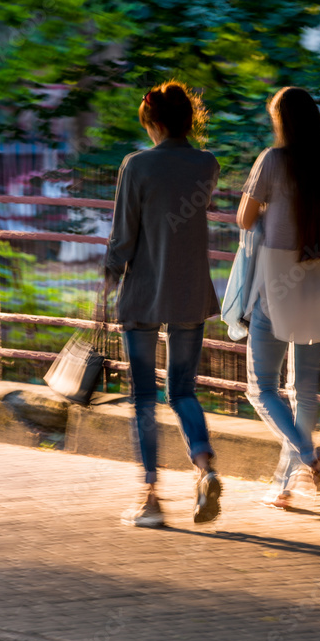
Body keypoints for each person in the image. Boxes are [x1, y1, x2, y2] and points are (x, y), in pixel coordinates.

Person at [106, 80, 223, 528]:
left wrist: (109, 275)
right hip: (190, 293)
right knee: (182, 391)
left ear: (153, 123)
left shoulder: (136, 166)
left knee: (143, 399)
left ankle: (151, 498)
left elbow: (124, 236)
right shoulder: (206, 164)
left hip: (141, 295)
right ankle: (205, 466)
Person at [236, 86, 320, 509]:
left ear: (281, 120)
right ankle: (287, 485)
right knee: (304, 389)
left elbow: (245, 218)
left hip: (278, 282)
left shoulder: (274, 160)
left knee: (260, 387)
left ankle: (308, 457)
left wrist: (272, 209)